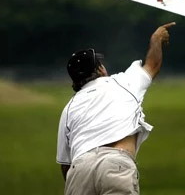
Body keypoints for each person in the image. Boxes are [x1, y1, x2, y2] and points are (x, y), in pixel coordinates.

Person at [56, 22, 175, 195]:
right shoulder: (122, 82)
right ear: (100, 69)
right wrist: (156, 39)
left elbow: (65, 165)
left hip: (79, 169)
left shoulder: (69, 108)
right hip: (115, 164)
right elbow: (152, 65)